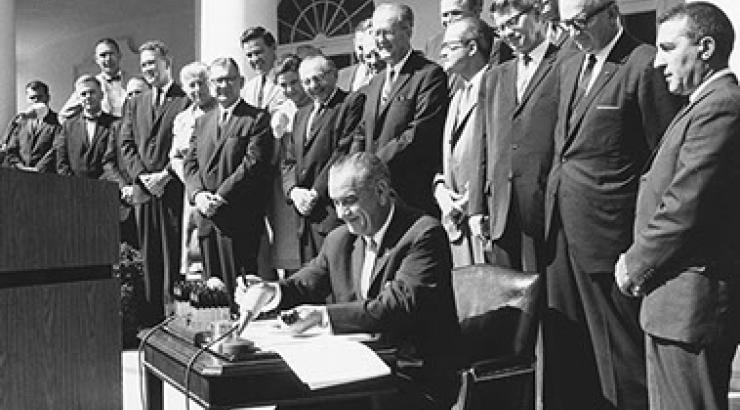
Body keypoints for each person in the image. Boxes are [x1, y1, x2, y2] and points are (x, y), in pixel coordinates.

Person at [237, 152, 461, 408]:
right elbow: (304, 285)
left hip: (412, 377)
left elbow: (395, 306)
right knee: (290, 400)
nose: (342, 213)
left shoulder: (424, 234)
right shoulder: (340, 239)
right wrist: (270, 290)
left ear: (381, 190)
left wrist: (323, 317)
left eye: (350, 201)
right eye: (336, 203)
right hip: (358, 369)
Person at [543, 0, 682, 409]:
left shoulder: (643, 64)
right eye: (566, 23)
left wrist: (641, 241)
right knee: (573, 354)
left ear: (610, 13)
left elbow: (663, 158)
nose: (573, 31)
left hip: (610, 234)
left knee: (621, 360)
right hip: (563, 230)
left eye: (581, 21)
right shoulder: (570, 64)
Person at [615, 3, 740, 409]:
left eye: (668, 48)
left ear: (705, 48)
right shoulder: (700, 106)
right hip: (671, 302)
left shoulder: (721, 108)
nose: (657, 62)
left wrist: (635, 264)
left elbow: (684, 205)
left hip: (690, 304)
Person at [469, 0, 573, 272]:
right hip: (502, 210)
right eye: (501, 27)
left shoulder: (566, 63)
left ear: (538, 15)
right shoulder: (495, 77)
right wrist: (477, 207)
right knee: (511, 303)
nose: (508, 32)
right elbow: (482, 143)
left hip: (548, 207)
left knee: (550, 303)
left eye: (513, 21)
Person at [183, 57, 274, 301]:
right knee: (213, 296)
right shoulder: (202, 122)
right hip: (207, 220)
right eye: (217, 81)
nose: (222, 86)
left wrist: (219, 197)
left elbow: (252, 165)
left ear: (241, 82)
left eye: (229, 79)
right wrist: (199, 195)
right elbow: (189, 163)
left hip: (239, 220)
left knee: (242, 295)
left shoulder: (256, 119)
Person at [351, 3, 449, 217]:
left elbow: (419, 133)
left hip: (411, 194)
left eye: (387, 32)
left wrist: (373, 165)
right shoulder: (375, 82)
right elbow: (362, 129)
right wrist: (354, 167)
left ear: (408, 30)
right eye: (376, 33)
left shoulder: (428, 75)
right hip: (374, 196)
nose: (380, 40)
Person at [120, 40, 190, 325]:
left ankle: (175, 321)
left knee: (174, 257)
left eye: (153, 62)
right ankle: (150, 324)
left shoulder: (184, 99)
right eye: (144, 64)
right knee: (149, 260)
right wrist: (142, 177)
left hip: (172, 190)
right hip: (145, 193)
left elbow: (188, 146)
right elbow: (126, 144)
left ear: (167, 62)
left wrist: (166, 175)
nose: (149, 69)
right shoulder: (135, 103)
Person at [282, 55, 365, 265]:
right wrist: (294, 191)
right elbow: (289, 160)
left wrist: (315, 193)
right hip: (304, 215)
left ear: (334, 75)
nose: (313, 87)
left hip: (330, 210)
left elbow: (342, 152)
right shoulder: (301, 114)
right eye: (306, 82)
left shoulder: (350, 103)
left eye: (318, 79)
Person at [433, 17, 490, 267]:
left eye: (450, 46)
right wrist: (441, 191)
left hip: (483, 220)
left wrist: (474, 200)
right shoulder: (456, 96)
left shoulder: (496, 86)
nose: (442, 53)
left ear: (472, 48)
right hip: (456, 223)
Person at [169, 62, 217, 276]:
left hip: (217, 189)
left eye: (201, 83)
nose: (197, 90)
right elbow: (175, 156)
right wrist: (190, 181)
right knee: (194, 250)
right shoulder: (182, 119)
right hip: (191, 192)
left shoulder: (221, 111)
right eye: (191, 85)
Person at [269, 54, 314, 275]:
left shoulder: (316, 104)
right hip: (286, 193)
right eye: (283, 85)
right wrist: (276, 135)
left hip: (314, 188)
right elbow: (275, 160)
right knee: (292, 264)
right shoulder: (280, 113)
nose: (290, 90)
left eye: (294, 83)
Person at [55, 75, 119, 179]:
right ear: (78, 99)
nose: (88, 97)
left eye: (92, 92)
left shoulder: (115, 124)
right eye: (83, 94)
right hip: (74, 188)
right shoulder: (68, 126)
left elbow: (116, 159)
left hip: (107, 187)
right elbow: (61, 162)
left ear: (101, 95)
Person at [60, 38, 127, 119]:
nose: (108, 59)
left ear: (119, 55)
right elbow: (64, 115)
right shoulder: (90, 85)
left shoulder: (134, 81)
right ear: (97, 60)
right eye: (103, 55)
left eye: (111, 54)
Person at [2, 80, 60, 172]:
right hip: (20, 175)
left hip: (47, 176)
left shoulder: (58, 121)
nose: (36, 101)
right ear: (27, 99)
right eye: (32, 98)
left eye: (40, 97)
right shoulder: (20, 121)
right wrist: (20, 166)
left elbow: (56, 149)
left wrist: (38, 169)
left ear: (48, 98)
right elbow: (11, 148)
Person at [240, 26, 285, 112]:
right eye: (249, 55)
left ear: (273, 47)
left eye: (258, 52)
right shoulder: (248, 88)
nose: (254, 59)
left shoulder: (290, 80)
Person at [337, 19, 379, 92]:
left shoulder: (388, 72)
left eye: (367, 46)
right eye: (360, 47)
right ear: (354, 44)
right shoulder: (341, 76)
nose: (364, 52)